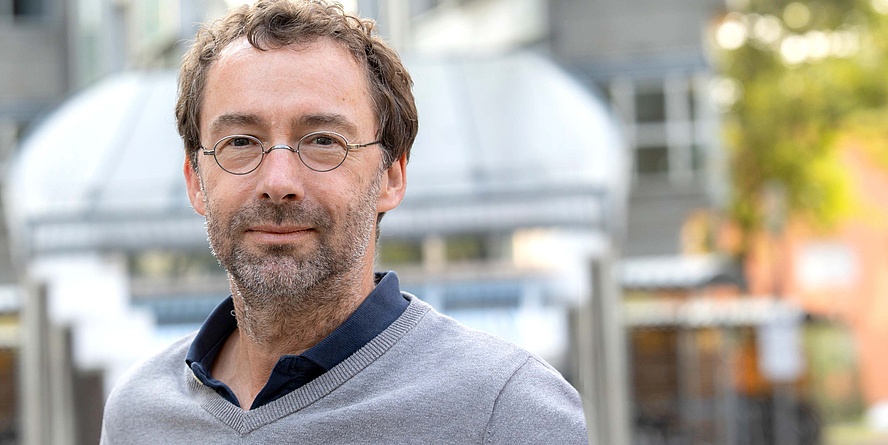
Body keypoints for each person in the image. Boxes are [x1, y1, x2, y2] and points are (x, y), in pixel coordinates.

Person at [100, 0, 588, 443]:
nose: (278, 180)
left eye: (322, 140)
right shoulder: (139, 414)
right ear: (195, 181)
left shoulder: (504, 410)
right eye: (241, 142)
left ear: (391, 177)